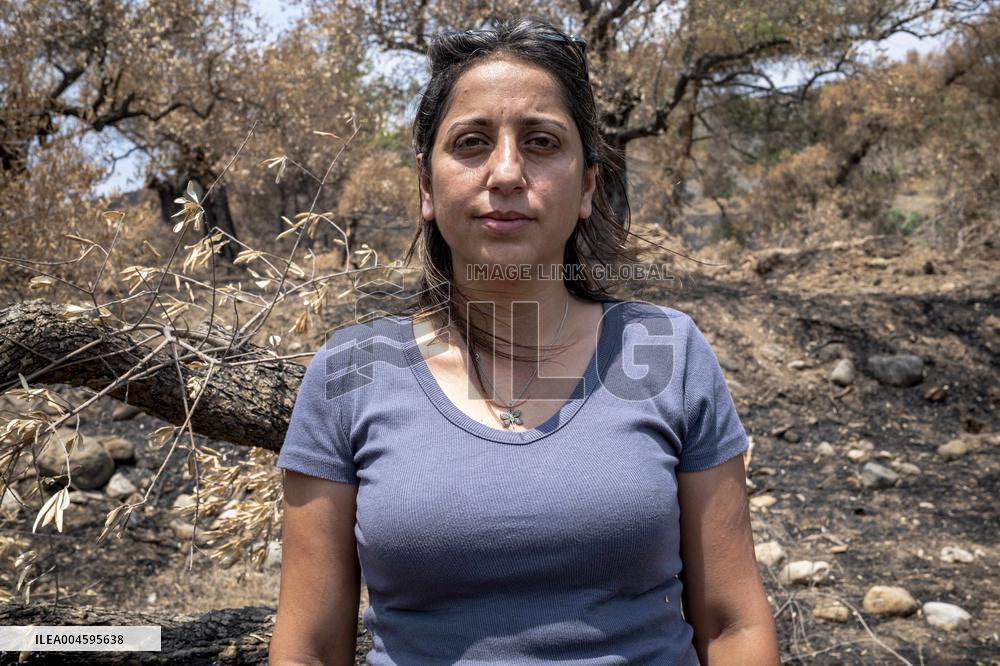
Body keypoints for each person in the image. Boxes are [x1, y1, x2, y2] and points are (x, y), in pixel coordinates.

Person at [269, 16, 779, 666]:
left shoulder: (667, 353)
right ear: (427, 185)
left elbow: (733, 625)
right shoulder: (350, 372)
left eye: (540, 142)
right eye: (472, 142)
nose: (507, 172)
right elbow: (308, 648)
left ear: (588, 186)